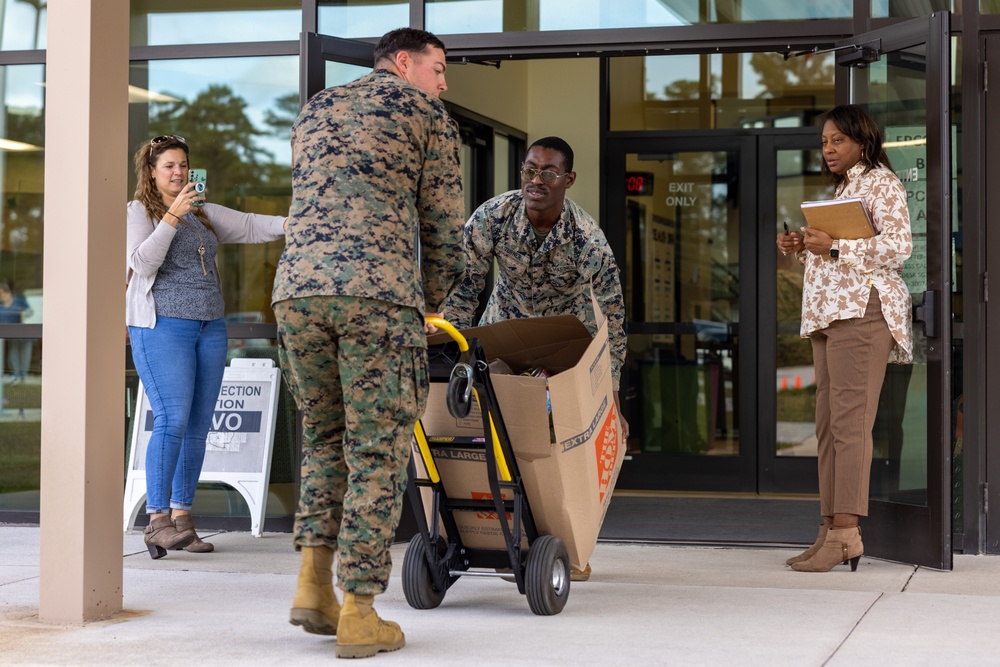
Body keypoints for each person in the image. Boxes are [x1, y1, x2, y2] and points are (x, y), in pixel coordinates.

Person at [272, 28, 464, 659]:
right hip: (375, 296)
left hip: (296, 293)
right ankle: (358, 609)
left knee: (325, 440)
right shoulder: (426, 114)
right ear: (403, 63)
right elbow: (442, 223)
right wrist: (433, 303)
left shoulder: (316, 108)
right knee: (376, 449)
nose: (443, 82)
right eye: (437, 68)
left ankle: (311, 584)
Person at [440, 136, 628, 582]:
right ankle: (507, 537)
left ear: (568, 179)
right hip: (505, 328)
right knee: (497, 434)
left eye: (548, 172)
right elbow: (464, 286)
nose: (536, 180)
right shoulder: (494, 215)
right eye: (529, 170)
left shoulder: (587, 238)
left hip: (566, 341)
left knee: (563, 441)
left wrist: (613, 393)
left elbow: (614, 317)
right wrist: (449, 349)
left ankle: (573, 550)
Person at [126, 134, 287, 560]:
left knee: (199, 425)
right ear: (152, 172)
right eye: (169, 167)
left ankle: (182, 519)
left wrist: (294, 224)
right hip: (163, 327)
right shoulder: (140, 212)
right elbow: (141, 263)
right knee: (172, 418)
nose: (178, 173)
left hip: (209, 327)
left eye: (183, 165)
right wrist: (172, 218)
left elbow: (252, 225)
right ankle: (156, 520)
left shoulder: (204, 213)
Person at [776, 105, 913, 572]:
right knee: (828, 427)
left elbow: (899, 246)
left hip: (863, 312)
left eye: (837, 140)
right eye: (823, 142)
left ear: (862, 140)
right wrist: (804, 245)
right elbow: (839, 253)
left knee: (850, 426)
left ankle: (846, 534)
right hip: (830, 316)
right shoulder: (845, 189)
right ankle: (827, 528)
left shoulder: (881, 182)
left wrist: (832, 245)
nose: (828, 149)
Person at [0, 279, 33, 382]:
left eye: (1, 293)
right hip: (11, 334)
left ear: (8, 292)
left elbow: (30, 311)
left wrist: (25, 313)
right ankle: (15, 374)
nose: (0, 296)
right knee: (13, 353)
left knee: (25, 354)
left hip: (25, 332)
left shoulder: (19, 300)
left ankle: (24, 376)